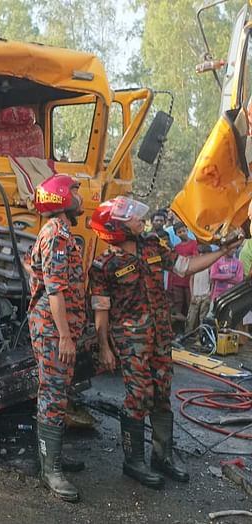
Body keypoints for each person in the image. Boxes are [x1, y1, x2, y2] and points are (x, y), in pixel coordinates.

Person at [89, 196, 240, 489]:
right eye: (131, 219)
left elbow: (185, 266)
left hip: (160, 336)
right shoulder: (104, 265)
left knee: (162, 395)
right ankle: (133, 461)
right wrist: (104, 347)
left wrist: (222, 251)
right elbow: (101, 310)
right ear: (116, 228)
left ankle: (163, 457)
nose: (139, 221)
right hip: (131, 341)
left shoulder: (152, 245)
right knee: (139, 397)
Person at [26, 175, 85, 503]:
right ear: (60, 196)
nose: (79, 197)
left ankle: (53, 457)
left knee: (58, 393)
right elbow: (55, 290)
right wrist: (64, 336)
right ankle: (51, 470)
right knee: (52, 394)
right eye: (74, 191)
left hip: (58, 328)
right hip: (52, 330)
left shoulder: (62, 234)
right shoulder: (56, 236)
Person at [168, 223, 198, 327]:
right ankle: (178, 329)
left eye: (183, 231)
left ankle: (190, 327)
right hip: (177, 280)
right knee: (178, 304)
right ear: (176, 234)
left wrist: (185, 260)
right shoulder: (176, 247)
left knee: (191, 304)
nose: (182, 233)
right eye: (179, 232)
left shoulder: (194, 243)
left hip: (190, 279)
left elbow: (195, 259)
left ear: (187, 230)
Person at [186, 244, 213, 336]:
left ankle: (201, 335)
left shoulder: (210, 266)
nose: (202, 255)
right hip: (196, 294)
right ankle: (188, 334)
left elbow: (212, 281)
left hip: (205, 295)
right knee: (191, 317)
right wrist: (192, 294)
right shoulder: (196, 266)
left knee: (203, 317)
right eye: (201, 253)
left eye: (204, 253)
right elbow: (191, 279)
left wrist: (210, 293)